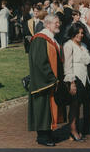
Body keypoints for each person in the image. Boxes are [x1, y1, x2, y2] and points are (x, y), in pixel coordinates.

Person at [28, 14, 68, 146]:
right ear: (47, 24)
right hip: (44, 82)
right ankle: (42, 137)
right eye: (56, 23)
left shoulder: (52, 39)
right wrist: (52, 79)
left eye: (58, 22)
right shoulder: (40, 39)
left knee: (50, 109)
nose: (58, 25)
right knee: (43, 109)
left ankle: (49, 133)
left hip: (52, 81)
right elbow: (40, 63)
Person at [63, 22, 90, 141]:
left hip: (85, 79)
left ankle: (77, 128)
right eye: (78, 33)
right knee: (74, 106)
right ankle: (73, 129)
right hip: (75, 78)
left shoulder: (84, 46)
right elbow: (67, 65)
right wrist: (71, 83)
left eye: (82, 33)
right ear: (73, 33)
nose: (80, 35)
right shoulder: (68, 45)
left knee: (80, 105)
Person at [22, 5, 44, 92]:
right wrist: (29, 38)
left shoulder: (43, 22)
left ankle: (27, 80)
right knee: (35, 65)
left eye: (37, 11)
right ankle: (28, 80)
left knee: (39, 65)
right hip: (32, 46)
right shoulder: (29, 22)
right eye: (34, 11)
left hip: (40, 46)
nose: (36, 13)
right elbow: (25, 33)